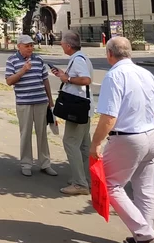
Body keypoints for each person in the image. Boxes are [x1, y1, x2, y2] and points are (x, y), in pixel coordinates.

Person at [91, 37, 154, 243]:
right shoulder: (146, 74)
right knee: (146, 190)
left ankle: (145, 234)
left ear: (109, 54)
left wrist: (96, 143)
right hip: (150, 135)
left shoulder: (114, 75)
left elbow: (109, 117)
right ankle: (144, 238)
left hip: (127, 138)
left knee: (111, 185)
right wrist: (150, 132)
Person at [5, 34, 56, 177]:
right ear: (19, 46)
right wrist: (23, 70)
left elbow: (45, 80)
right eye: (27, 46)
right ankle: (26, 164)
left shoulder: (39, 59)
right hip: (24, 103)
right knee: (26, 133)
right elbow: (9, 81)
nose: (30, 48)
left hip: (41, 101)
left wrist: (50, 100)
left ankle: (45, 163)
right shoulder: (12, 60)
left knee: (42, 134)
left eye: (31, 45)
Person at [50, 31, 95, 196]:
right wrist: (64, 75)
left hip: (77, 108)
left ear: (68, 45)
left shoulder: (77, 60)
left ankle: (79, 183)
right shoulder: (80, 58)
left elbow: (85, 80)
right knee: (84, 145)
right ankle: (85, 178)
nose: (61, 45)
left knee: (70, 142)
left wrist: (67, 79)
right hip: (84, 107)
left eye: (62, 43)